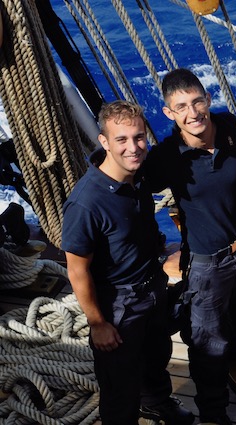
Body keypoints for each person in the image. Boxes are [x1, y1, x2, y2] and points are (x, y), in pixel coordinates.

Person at [61, 100, 194, 425]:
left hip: (152, 288)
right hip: (119, 305)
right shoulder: (86, 203)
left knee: (155, 358)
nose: (133, 148)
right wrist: (98, 324)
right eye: (121, 139)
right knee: (120, 385)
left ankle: (156, 403)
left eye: (138, 137)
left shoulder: (139, 176)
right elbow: (77, 270)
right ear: (104, 142)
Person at [144, 68, 236, 425]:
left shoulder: (229, 126)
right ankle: (213, 414)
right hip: (207, 263)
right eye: (181, 107)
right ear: (168, 113)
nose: (193, 113)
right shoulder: (167, 156)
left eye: (197, 102)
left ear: (207, 98)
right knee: (208, 343)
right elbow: (132, 182)